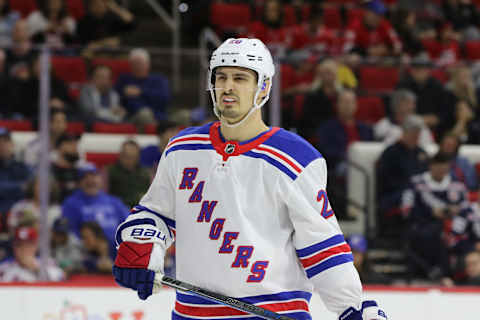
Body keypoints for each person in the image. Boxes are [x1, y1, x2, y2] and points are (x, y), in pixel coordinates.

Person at [112, 38, 386, 320]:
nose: (227, 87)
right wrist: (143, 244)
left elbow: (321, 245)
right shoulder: (183, 148)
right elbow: (156, 213)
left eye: (240, 78)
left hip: (270, 313)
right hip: (192, 314)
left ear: (264, 86)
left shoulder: (295, 157)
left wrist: (350, 306)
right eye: (221, 77)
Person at [401, 152, 467, 284]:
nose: (441, 172)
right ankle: (432, 272)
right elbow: (406, 209)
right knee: (430, 235)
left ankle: (455, 276)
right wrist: (431, 213)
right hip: (423, 224)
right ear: (431, 167)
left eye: (444, 169)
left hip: (453, 225)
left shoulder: (457, 185)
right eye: (438, 168)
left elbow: (465, 208)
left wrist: (455, 212)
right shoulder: (416, 183)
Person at [376, 115, 429, 235]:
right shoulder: (391, 153)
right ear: (405, 132)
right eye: (413, 133)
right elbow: (386, 180)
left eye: (418, 133)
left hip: (419, 193)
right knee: (410, 195)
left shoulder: (421, 153)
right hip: (394, 194)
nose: (416, 136)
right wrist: (410, 186)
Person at [62, 163, 129, 255]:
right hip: (87, 252)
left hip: (118, 250)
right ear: (79, 183)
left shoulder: (114, 202)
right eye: (85, 177)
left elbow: (129, 225)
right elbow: (71, 232)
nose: (90, 180)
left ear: (101, 179)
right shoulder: (71, 203)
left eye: (94, 176)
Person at [115, 48, 171, 125]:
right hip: (133, 117)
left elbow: (165, 98)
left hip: (160, 116)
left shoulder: (159, 79)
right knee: (145, 114)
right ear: (130, 65)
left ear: (148, 64)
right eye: (135, 63)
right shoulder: (124, 80)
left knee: (185, 115)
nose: (138, 66)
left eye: (140, 63)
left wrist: (141, 92)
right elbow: (118, 99)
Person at [0, 226, 64, 282]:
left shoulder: (48, 263)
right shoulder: (3, 268)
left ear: (35, 245)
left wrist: (35, 269)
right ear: (14, 247)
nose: (24, 249)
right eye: (19, 245)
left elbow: (60, 282)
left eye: (28, 244)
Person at [107, 140, 151, 208]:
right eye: (126, 157)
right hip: (117, 209)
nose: (129, 160)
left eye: (133, 157)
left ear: (138, 157)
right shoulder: (109, 172)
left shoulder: (146, 173)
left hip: (141, 209)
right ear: (120, 156)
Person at [0, 127, 32, 216]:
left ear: (12, 144)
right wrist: (19, 186)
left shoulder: (22, 167)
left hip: (19, 214)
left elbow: (30, 189)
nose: (2, 145)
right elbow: (23, 187)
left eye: (5, 141)